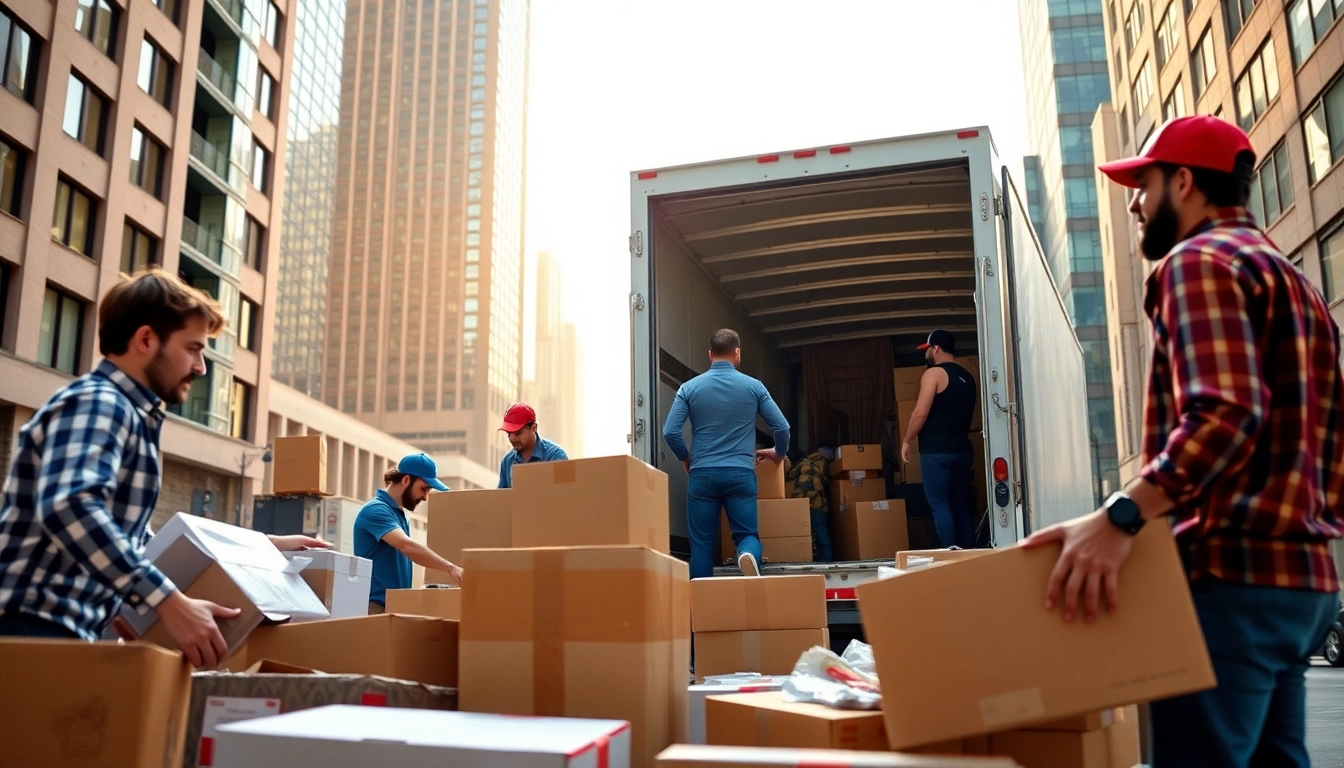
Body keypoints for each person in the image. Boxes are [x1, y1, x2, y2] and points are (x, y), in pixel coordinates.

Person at [1022, 115, 1344, 768]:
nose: (1134, 204)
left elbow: (1225, 413)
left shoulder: (1198, 263)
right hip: (1304, 585)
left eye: (1144, 186)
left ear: (1185, 182)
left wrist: (1123, 514)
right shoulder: (1295, 282)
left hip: (1232, 580)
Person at [0, 269, 327, 669]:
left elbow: (143, 543)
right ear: (146, 340)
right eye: (193, 349)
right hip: (28, 627)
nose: (201, 367)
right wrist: (169, 603)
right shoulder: (101, 403)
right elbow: (70, 506)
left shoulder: (129, 415)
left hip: (55, 630)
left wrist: (262, 547)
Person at [662, 328, 790, 579]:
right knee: (747, 535)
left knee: (701, 545)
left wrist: (686, 458)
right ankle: (747, 554)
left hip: (702, 474)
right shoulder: (754, 387)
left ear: (710, 354)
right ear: (737, 353)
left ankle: (702, 599)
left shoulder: (688, 388)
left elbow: (670, 432)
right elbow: (782, 427)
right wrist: (779, 453)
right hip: (740, 474)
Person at [354, 453, 464, 613]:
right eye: (424, 488)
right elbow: (407, 546)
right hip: (375, 606)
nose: (425, 497)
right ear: (406, 480)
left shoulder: (399, 514)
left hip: (394, 605)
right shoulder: (376, 509)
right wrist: (450, 568)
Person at [900, 330, 978, 549]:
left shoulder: (933, 374)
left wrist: (906, 440)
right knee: (960, 505)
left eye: (927, 350)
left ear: (935, 349)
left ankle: (949, 553)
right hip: (963, 451)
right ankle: (970, 553)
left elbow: (920, 413)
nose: (925, 355)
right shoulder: (968, 377)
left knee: (940, 505)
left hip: (937, 452)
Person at [497, 402, 569, 488]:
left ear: (534, 428)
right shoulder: (507, 461)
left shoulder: (556, 456)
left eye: (517, 433)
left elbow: (565, 493)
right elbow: (503, 495)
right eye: (509, 433)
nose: (512, 438)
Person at [788, 443, 836, 562]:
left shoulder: (803, 462)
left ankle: (802, 559)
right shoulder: (824, 463)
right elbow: (828, 480)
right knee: (822, 536)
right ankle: (825, 562)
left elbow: (790, 475)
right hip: (816, 503)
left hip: (799, 503)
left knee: (799, 535)